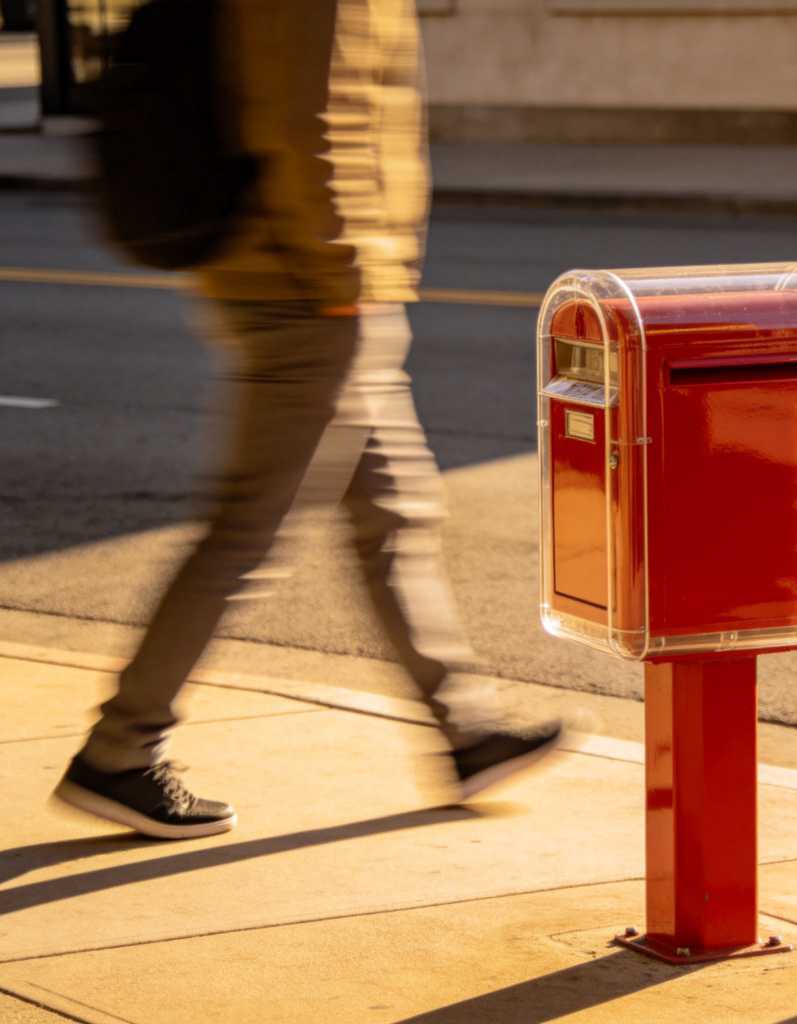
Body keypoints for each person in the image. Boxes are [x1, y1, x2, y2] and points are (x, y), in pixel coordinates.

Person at [52, 0, 560, 840]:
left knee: (392, 514)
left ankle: (466, 731)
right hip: (306, 287)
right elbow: (304, 120)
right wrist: (341, 277)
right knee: (251, 528)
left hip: (315, 281)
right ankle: (118, 752)